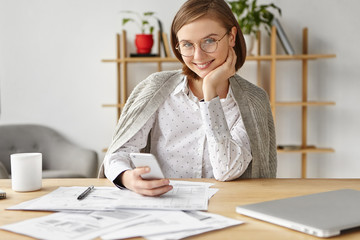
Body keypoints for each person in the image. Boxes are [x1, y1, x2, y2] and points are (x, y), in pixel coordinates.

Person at [99, 0, 277, 196]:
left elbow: (227, 170)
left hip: (226, 206)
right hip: (165, 205)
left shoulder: (253, 101)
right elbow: (118, 153)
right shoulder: (157, 89)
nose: (198, 56)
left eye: (209, 41)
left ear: (232, 36)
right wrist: (127, 178)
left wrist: (210, 93)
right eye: (187, 45)